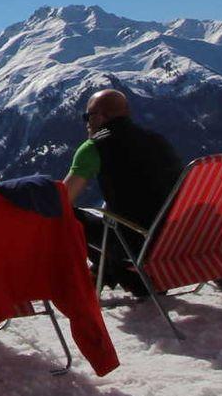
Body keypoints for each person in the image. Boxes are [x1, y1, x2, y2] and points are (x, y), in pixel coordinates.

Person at [62, 88, 184, 291]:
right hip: (176, 240)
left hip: (135, 247)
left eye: (88, 116)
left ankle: (98, 276)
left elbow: (62, 200)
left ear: (101, 117)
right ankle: (106, 272)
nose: (86, 122)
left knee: (67, 215)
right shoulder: (156, 139)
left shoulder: (94, 147)